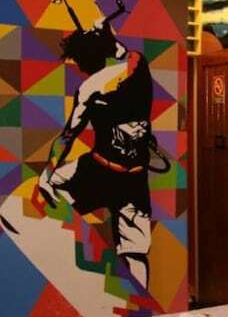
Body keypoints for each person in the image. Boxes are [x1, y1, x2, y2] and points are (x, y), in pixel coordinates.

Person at [37, 21, 155, 288]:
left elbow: (68, 136)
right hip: (133, 178)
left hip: (99, 171)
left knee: (53, 187)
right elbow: (124, 53)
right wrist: (107, 35)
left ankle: (73, 257)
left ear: (82, 61)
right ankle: (142, 303)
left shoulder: (89, 88)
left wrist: (46, 174)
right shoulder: (138, 67)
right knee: (135, 252)